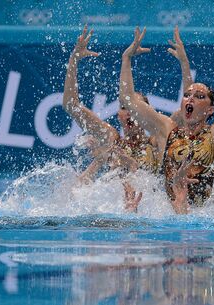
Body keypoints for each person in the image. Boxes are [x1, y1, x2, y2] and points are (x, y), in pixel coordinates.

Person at [119, 25, 214, 214]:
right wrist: (126, 58)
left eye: (199, 96)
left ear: (210, 109)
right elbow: (128, 99)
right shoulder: (166, 129)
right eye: (187, 95)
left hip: (202, 217)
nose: (190, 98)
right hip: (168, 216)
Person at [63, 26, 193, 211]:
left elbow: (188, 110)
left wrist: (184, 62)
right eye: (125, 108)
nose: (130, 112)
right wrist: (73, 60)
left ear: (146, 114)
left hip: (151, 209)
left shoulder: (158, 140)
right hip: (118, 211)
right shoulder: (111, 139)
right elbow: (71, 106)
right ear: (118, 114)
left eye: (135, 108)